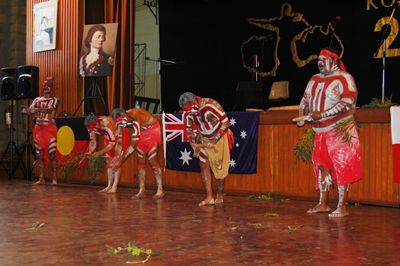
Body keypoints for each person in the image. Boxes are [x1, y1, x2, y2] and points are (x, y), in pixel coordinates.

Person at [296, 47, 362, 218]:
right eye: (318, 59)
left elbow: (348, 102)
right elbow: (303, 101)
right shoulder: (314, 79)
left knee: (342, 167)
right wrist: (302, 116)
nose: (320, 62)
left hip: (340, 129)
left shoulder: (344, 78)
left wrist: (322, 114)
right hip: (320, 131)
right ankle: (323, 203)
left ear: (334, 60)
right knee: (322, 167)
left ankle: (342, 206)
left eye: (324, 58)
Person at [178, 92, 233, 206]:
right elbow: (189, 128)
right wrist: (192, 142)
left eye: (189, 109)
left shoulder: (211, 105)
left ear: (196, 101)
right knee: (203, 165)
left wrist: (214, 140)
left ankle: (220, 193)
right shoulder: (189, 112)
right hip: (203, 137)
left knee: (220, 171)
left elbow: (226, 123)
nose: (188, 113)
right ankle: (209, 196)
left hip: (219, 138)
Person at [114, 108, 164, 199]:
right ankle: (141, 190)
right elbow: (120, 141)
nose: (124, 125)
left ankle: (160, 190)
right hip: (141, 130)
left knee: (152, 160)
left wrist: (121, 161)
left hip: (152, 130)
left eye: (124, 122)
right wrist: (118, 156)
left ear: (126, 115)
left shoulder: (135, 117)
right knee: (141, 161)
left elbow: (133, 145)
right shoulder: (122, 121)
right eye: (122, 123)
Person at [22, 77, 59, 185]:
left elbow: (50, 109)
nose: (46, 88)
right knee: (39, 155)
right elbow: (29, 110)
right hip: (39, 130)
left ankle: (54, 178)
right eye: (44, 86)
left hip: (50, 129)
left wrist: (37, 110)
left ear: (52, 88)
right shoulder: (37, 99)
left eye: (48, 85)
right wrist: (25, 110)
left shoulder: (55, 99)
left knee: (52, 154)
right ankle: (41, 178)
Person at [83, 110, 124, 193]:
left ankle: (114, 186)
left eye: (93, 128)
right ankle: (109, 185)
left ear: (97, 124)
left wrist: (99, 153)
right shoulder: (90, 127)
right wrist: (91, 151)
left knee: (116, 161)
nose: (92, 130)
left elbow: (112, 144)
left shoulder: (107, 124)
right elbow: (93, 141)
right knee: (108, 161)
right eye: (91, 129)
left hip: (118, 136)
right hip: (108, 137)